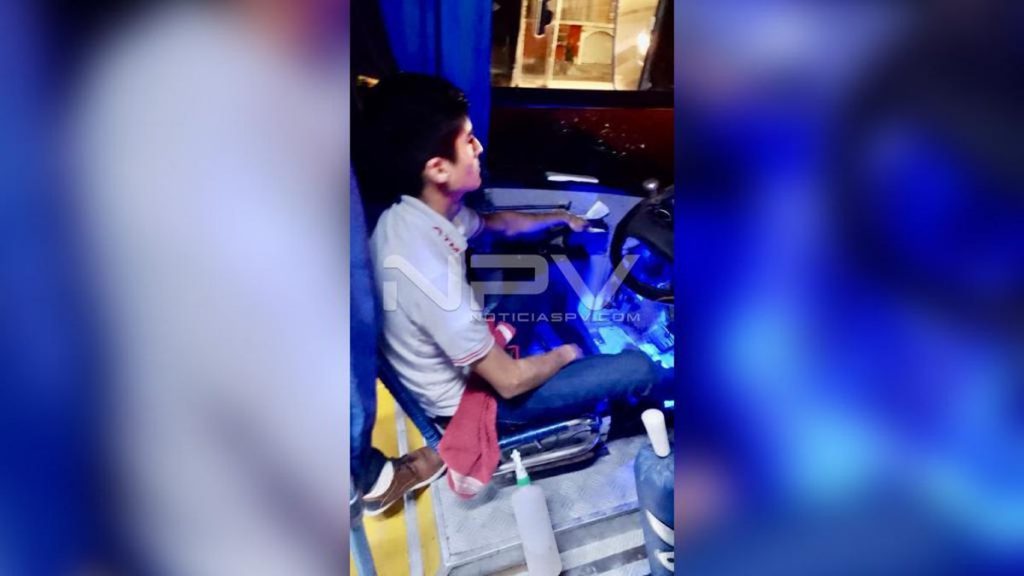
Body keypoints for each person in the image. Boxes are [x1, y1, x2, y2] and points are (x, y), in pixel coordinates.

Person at [361, 73, 666, 432]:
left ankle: (573, 354)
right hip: (476, 402)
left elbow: (498, 224)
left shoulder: (415, 213)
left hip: (468, 361)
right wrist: (566, 355)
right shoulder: (427, 271)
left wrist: (560, 217)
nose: (479, 148)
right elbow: (509, 381)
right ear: (438, 168)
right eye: (469, 140)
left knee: (544, 275)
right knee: (639, 368)